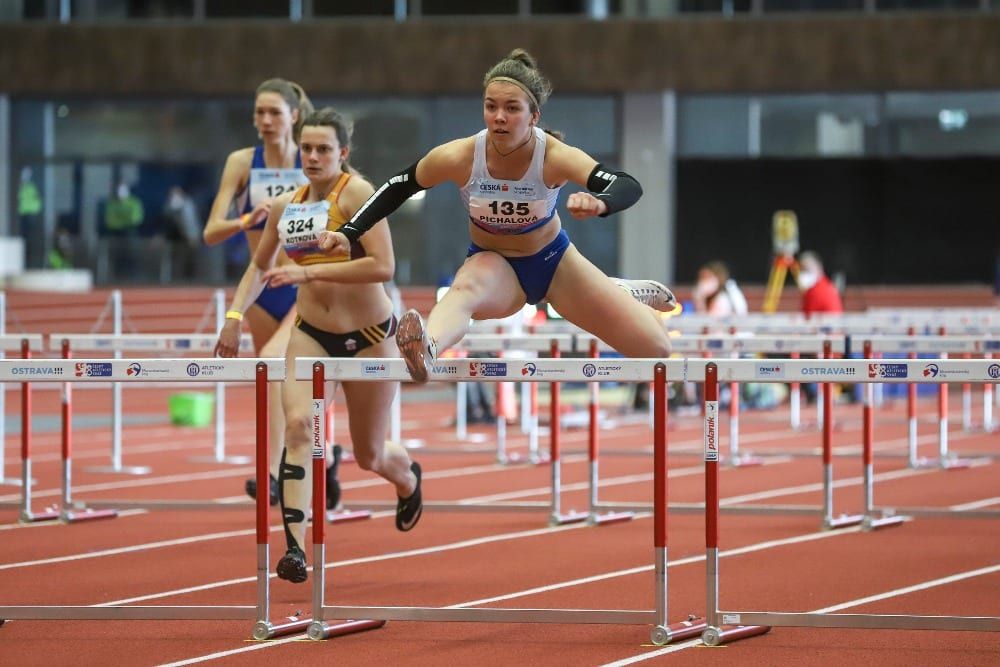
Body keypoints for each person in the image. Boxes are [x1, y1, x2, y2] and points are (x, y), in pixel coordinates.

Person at [318, 49, 675, 382]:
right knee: (465, 289)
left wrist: (601, 203)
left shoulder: (554, 156)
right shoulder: (461, 156)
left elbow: (627, 185)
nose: (499, 117)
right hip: (494, 266)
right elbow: (400, 185)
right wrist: (349, 232)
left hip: (554, 265)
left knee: (656, 347)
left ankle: (618, 290)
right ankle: (428, 348)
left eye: (512, 109)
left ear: (534, 116)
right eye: (491, 107)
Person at [215, 108, 423, 583]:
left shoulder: (360, 196)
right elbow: (258, 267)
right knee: (296, 428)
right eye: (306, 148)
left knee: (369, 454)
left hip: (370, 337)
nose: (312, 156)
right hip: (311, 334)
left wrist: (309, 271)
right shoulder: (289, 205)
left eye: (323, 149)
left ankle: (408, 477)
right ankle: (295, 549)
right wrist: (233, 316)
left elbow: (383, 266)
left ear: (343, 153)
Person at [203, 79, 313, 506]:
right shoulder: (242, 162)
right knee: (275, 381)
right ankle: (321, 458)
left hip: (303, 283)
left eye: (274, 113)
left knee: (274, 367)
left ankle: (272, 473)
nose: (265, 122)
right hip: (262, 288)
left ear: (294, 117)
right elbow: (211, 232)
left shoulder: (312, 159)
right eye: (259, 113)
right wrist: (248, 218)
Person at [797, 251, 843, 317]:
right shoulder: (825, 286)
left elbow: (809, 319)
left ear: (819, 267)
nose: (804, 273)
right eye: (802, 269)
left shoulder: (820, 290)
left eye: (807, 269)